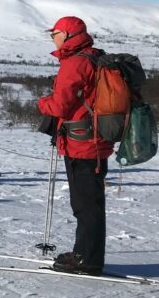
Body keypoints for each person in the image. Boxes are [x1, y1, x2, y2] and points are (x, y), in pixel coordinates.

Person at [38, 16, 113, 276]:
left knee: (85, 204)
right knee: (89, 201)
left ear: (68, 34)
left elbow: (60, 106)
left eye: (54, 33)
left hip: (82, 143)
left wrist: (42, 103)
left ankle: (87, 260)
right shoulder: (94, 56)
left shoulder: (76, 62)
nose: (52, 38)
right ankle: (86, 254)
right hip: (94, 139)